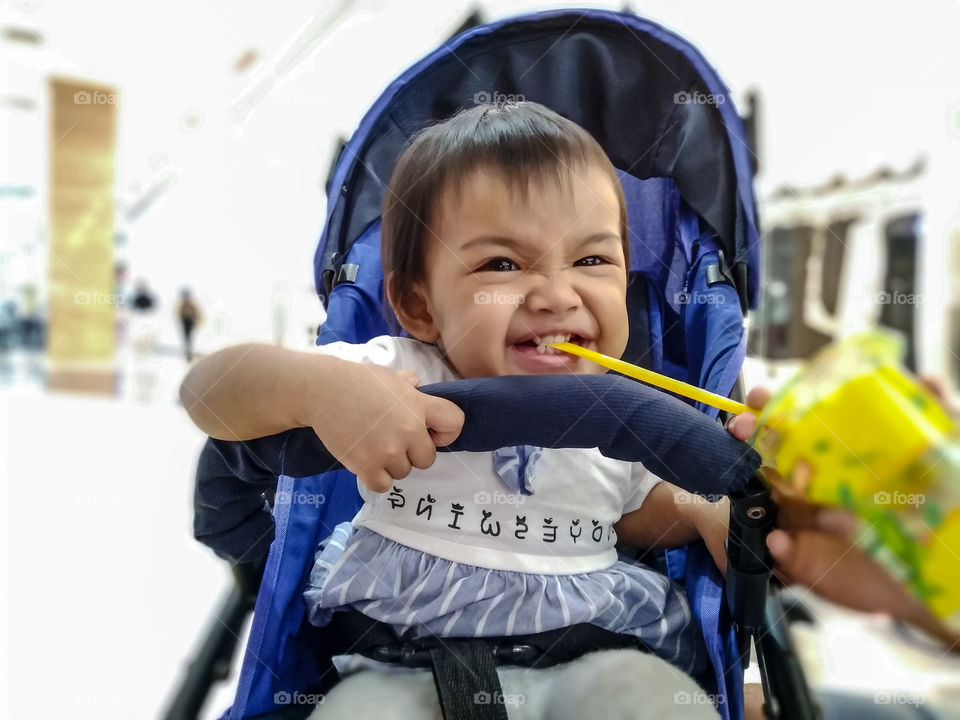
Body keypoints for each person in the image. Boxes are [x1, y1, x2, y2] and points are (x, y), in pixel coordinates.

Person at [182, 102, 744, 718]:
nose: (558, 295)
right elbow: (206, 391)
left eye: (592, 261)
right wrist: (317, 388)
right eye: (501, 264)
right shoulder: (398, 373)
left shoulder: (630, 409)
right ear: (420, 306)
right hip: (404, 664)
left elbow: (635, 511)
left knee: (657, 702)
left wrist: (708, 511)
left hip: (592, 651)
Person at [176, 287, 201, 362]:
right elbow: (180, 313)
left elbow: (195, 312)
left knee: (189, 336)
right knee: (186, 336)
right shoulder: (182, 304)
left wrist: (195, 319)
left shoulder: (191, 304)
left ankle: (189, 350)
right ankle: (188, 350)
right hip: (185, 321)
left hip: (190, 320)